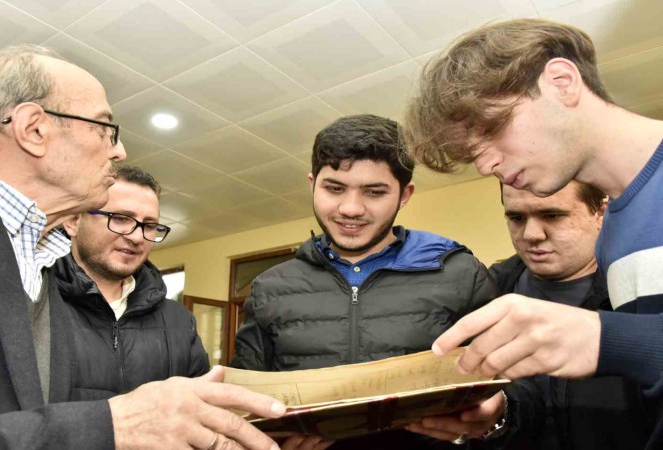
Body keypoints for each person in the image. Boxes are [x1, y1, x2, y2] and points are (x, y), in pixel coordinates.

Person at [0, 44, 284, 449]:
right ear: (34, 129)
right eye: (104, 128)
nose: (119, 150)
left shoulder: (40, 270)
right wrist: (112, 426)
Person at [404, 18, 663, 449]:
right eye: (472, 153)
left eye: (491, 130)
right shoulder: (615, 235)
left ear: (562, 82)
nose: (485, 166)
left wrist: (604, 339)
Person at [231, 114, 498, 449]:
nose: (351, 208)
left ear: (404, 194)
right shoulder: (269, 287)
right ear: (312, 184)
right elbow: (245, 404)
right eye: (334, 188)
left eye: (374, 192)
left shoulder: (461, 274)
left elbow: (504, 389)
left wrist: (492, 417)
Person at [411, 181, 652, 448]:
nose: (531, 234)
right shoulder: (480, 297)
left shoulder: (644, 294)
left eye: (552, 215)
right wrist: (494, 418)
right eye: (517, 217)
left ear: (601, 214)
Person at [54, 165, 210, 400]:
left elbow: (200, 408)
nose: (137, 237)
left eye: (149, 226)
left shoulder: (179, 320)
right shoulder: (33, 304)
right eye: (120, 219)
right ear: (74, 221)